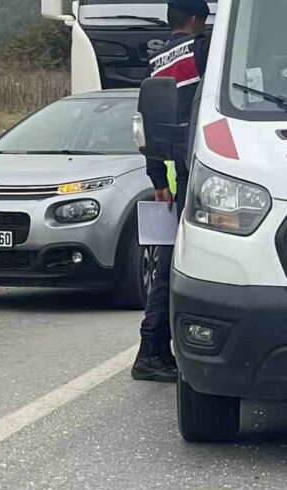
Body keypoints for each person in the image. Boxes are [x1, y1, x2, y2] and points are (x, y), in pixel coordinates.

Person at [131, 0, 211, 383]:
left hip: (173, 178)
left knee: (166, 268)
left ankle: (155, 349)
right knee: (176, 270)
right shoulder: (202, 49)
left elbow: (145, 122)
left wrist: (157, 178)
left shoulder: (156, 60)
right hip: (200, 173)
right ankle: (153, 352)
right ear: (195, 20)